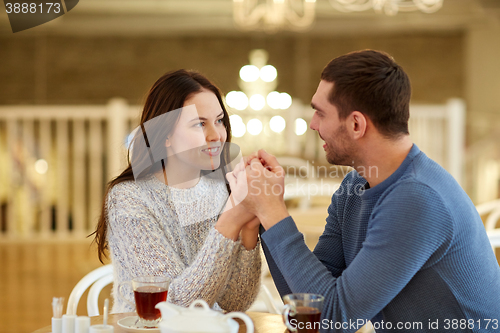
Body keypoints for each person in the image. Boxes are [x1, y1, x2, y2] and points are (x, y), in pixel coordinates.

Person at [227, 50, 500, 332]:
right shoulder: (353, 187)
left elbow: (332, 319)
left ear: (356, 124)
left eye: (320, 113)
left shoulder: (417, 197)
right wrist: (263, 207)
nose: (312, 124)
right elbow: (307, 303)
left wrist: (271, 210)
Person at [92, 69, 261, 314]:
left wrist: (249, 225)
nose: (217, 135)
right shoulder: (129, 199)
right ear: (166, 135)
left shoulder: (220, 189)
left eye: (219, 120)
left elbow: (235, 303)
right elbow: (171, 307)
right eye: (199, 124)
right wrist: (231, 219)